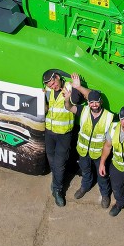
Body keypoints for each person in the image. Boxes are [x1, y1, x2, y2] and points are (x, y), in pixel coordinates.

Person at [42, 69, 83, 207]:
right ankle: (56, 181)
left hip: (64, 133)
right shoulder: (47, 90)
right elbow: (48, 108)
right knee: (51, 160)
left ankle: (58, 190)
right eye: (49, 85)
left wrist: (77, 87)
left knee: (59, 164)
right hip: (50, 132)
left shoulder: (70, 88)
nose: (52, 87)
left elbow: (77, 100)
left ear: (58, 77)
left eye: (53, 83)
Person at [73, 89, 113, 208]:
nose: (94, 105)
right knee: (85, 171)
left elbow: (109, 141)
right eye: (91, 102)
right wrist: (67, 98)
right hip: (84, 151)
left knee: (102, 175)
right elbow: (69, 107)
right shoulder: (84, 110)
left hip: (99, 153)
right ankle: (85, 186)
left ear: (101, 102)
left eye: (96, 102)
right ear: (88, 102)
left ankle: (105, 195)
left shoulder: (109, 117)